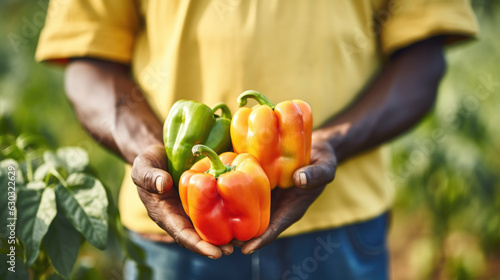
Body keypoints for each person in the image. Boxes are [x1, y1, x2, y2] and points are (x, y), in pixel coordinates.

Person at [36, 0, 477, 279]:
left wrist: (335, 141)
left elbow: (423, 53)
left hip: (342, 227)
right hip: (174, 228)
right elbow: (88, 58)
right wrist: (150, 154)